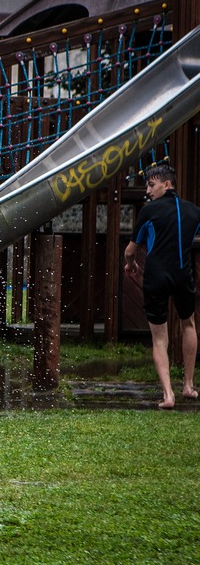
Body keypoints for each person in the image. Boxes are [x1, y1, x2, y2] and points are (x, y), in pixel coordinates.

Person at [124, 162, 200, 409]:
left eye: (151, 184)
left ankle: (168, 395)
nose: (147, 190)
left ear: (166, 185)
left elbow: (129, 251)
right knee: (188, 323)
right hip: (183, 275)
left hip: (156, 277)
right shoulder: (193, 211)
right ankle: (188, 386)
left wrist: (131, 265)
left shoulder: (149, 211)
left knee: (159, 338)